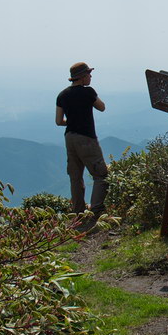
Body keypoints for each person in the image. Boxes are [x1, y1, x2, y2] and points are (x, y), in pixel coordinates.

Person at [55, 62, 109, 222]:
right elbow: (102, 107)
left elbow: (59, 121)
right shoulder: (88, 92)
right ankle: (96, 209)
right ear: (82, 76)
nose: (91, 77)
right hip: (86, 139)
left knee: (75, 176)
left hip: (69, 138)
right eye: (89, 74)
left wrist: (72, 121)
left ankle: (78, 212)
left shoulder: (62, 95)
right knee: (101, 175)